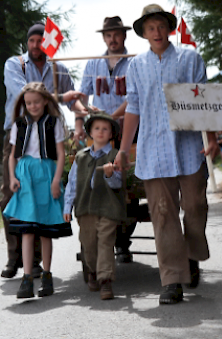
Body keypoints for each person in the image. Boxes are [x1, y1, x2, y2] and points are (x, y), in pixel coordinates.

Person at [114, 4, 218, 305]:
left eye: (160, 25)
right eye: (150, 28)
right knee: (163, 214)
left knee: (196, 205)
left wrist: (211, 138)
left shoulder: (190, 58)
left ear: (168, 29)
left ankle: (191, 254)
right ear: (144, 34)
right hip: (153, 149)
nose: (156, 32)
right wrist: (122, 150)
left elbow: (205, 98)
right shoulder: (136, 66)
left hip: (188, 147)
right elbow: (132, 107)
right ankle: (172, 280)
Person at [1, 22, 86, 280]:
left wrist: (83, 115)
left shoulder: (59, 69)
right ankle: (13, 256)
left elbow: (75, 101)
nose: (37, 45)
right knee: (11, 194)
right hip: (19, 132)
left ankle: (35, 262)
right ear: (27, 43)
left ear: (49, 43)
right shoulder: (15, 64)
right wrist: (61, 97)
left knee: (39, 197)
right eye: (32, 41)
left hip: (48, 135)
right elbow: (24, 94)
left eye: (42, 40)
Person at [3, 82, 72, 299]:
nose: (32, 106)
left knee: (44, 230)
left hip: (46, 173)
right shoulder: (18, 124)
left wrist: (56, 180)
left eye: (36, 102)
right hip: (25, 176)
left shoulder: (54, 123)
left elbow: (60, 154)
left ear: (44, 101)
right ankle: (26, 278)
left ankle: (47, 275)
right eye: (28, 102)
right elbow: (13, 155)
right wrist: (13, 177)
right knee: (26, 229)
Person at [77, 16, 136, 263]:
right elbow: (81, 96)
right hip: (99, 131)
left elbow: (134, 97)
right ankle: (92, 239)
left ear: (124, 36)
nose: (113, 39)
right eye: (108, 35)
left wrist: (113, 116)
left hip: (126, 130)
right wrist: (81, 117)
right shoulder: (93, 64)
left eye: (117, 34)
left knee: (128, 184)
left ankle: (123, 239)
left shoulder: (134, 63)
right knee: (94, 181)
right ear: (104, 38)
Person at [63, 112, 124, 300]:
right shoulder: (81, 157)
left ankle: (106, 281)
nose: (100, 132)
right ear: (89, 132)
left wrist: (109, 174)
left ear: (111, 134)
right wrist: (67, 207)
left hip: (108, 207)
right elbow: (72, 182)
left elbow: (117, 184)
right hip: (85, 207)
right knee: (89, 244)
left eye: (105, 129)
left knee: (105, 242)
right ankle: (92, 271)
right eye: (97, 128)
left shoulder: (115, 155)